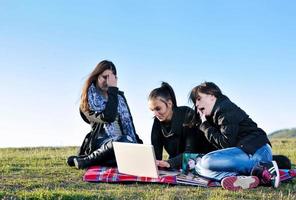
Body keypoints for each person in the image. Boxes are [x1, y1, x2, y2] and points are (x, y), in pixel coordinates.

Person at [188, 81, 280, 190]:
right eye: (195, 101)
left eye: (198, 99)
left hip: (257, 152)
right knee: (199, 167)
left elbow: (226, 143)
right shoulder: (217, 113)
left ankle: (263, 169)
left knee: (205, 161)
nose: (197, 104)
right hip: (250, 153)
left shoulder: (224, 108)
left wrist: (205, 126)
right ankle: (243, 178)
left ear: (212, 96)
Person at [67, 60, 143, 169]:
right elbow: (108, 117)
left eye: (111, 78)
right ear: (96, 77)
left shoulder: (119, 98)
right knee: (121, 142)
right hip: (101, 142)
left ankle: (86, 159)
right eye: (104, 77)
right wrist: (113, 90)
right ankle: (87, 160)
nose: (108, 81)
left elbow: (130, 125)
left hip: (123, 140)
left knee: (128, 143)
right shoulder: (88, 101)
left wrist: (139, 145)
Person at [148, 82, 216, 169]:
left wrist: (170, 163)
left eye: (158, 108)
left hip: (200, 160)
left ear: (169, 103)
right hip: (177, 164)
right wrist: (157, 165)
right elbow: (156, 153)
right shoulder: (157, 121)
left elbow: (191, 151)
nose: (155, 114)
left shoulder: (187, 114)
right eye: (152, 110)